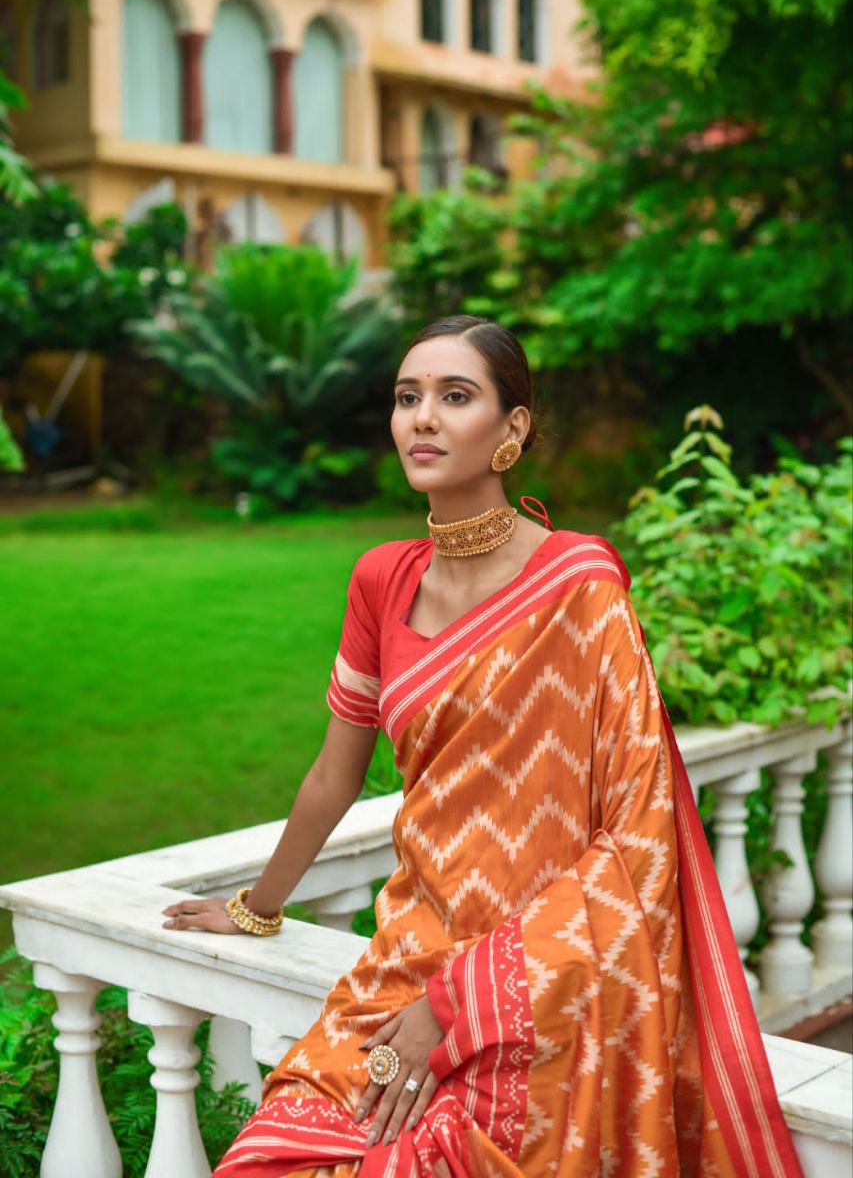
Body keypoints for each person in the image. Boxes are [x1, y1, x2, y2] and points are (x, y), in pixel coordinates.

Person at [162, 317, 804, 1177]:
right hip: (405, 957)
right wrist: (257, 907)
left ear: (512, 428)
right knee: (272, 1157)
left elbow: (637, 832)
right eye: (407, 397)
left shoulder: (579, 586)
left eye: (454, 396)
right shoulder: (380, 579)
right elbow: (334, 773)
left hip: (540, 976)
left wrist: (460, 999)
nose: (422, 417)